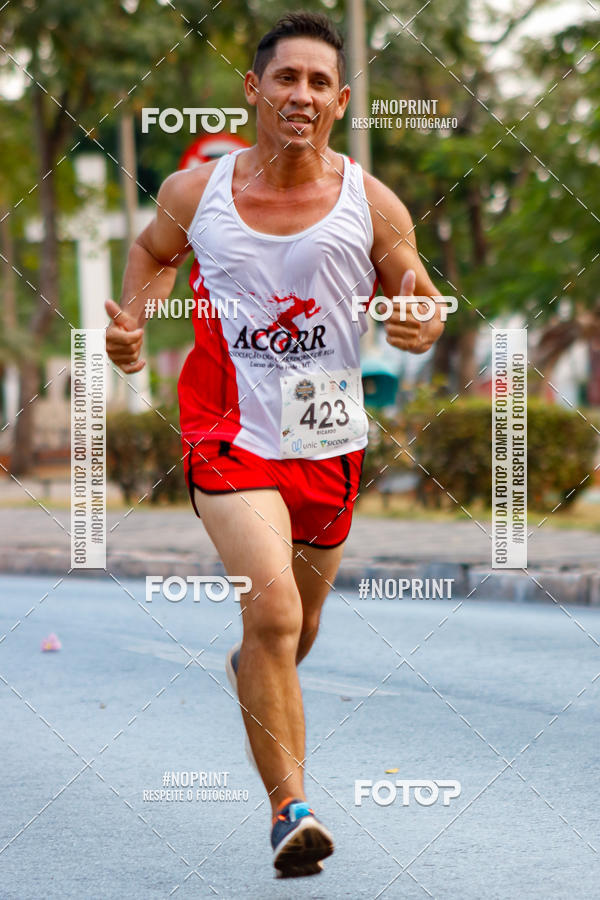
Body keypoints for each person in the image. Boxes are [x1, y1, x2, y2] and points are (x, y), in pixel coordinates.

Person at [105, 10, 444, 878]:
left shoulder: (370, 200)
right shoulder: (199, 194)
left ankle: (257, 668)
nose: (301, 94)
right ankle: (290, 810)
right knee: (275, 613)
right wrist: (133, 325)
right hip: (229, 431)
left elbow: (415, 286)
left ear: (337, 102)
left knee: (298, 630)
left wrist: (417, 315)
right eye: (285, 78)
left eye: (319, 82)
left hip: (326, 438)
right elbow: (152, 251)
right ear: (255, 89)